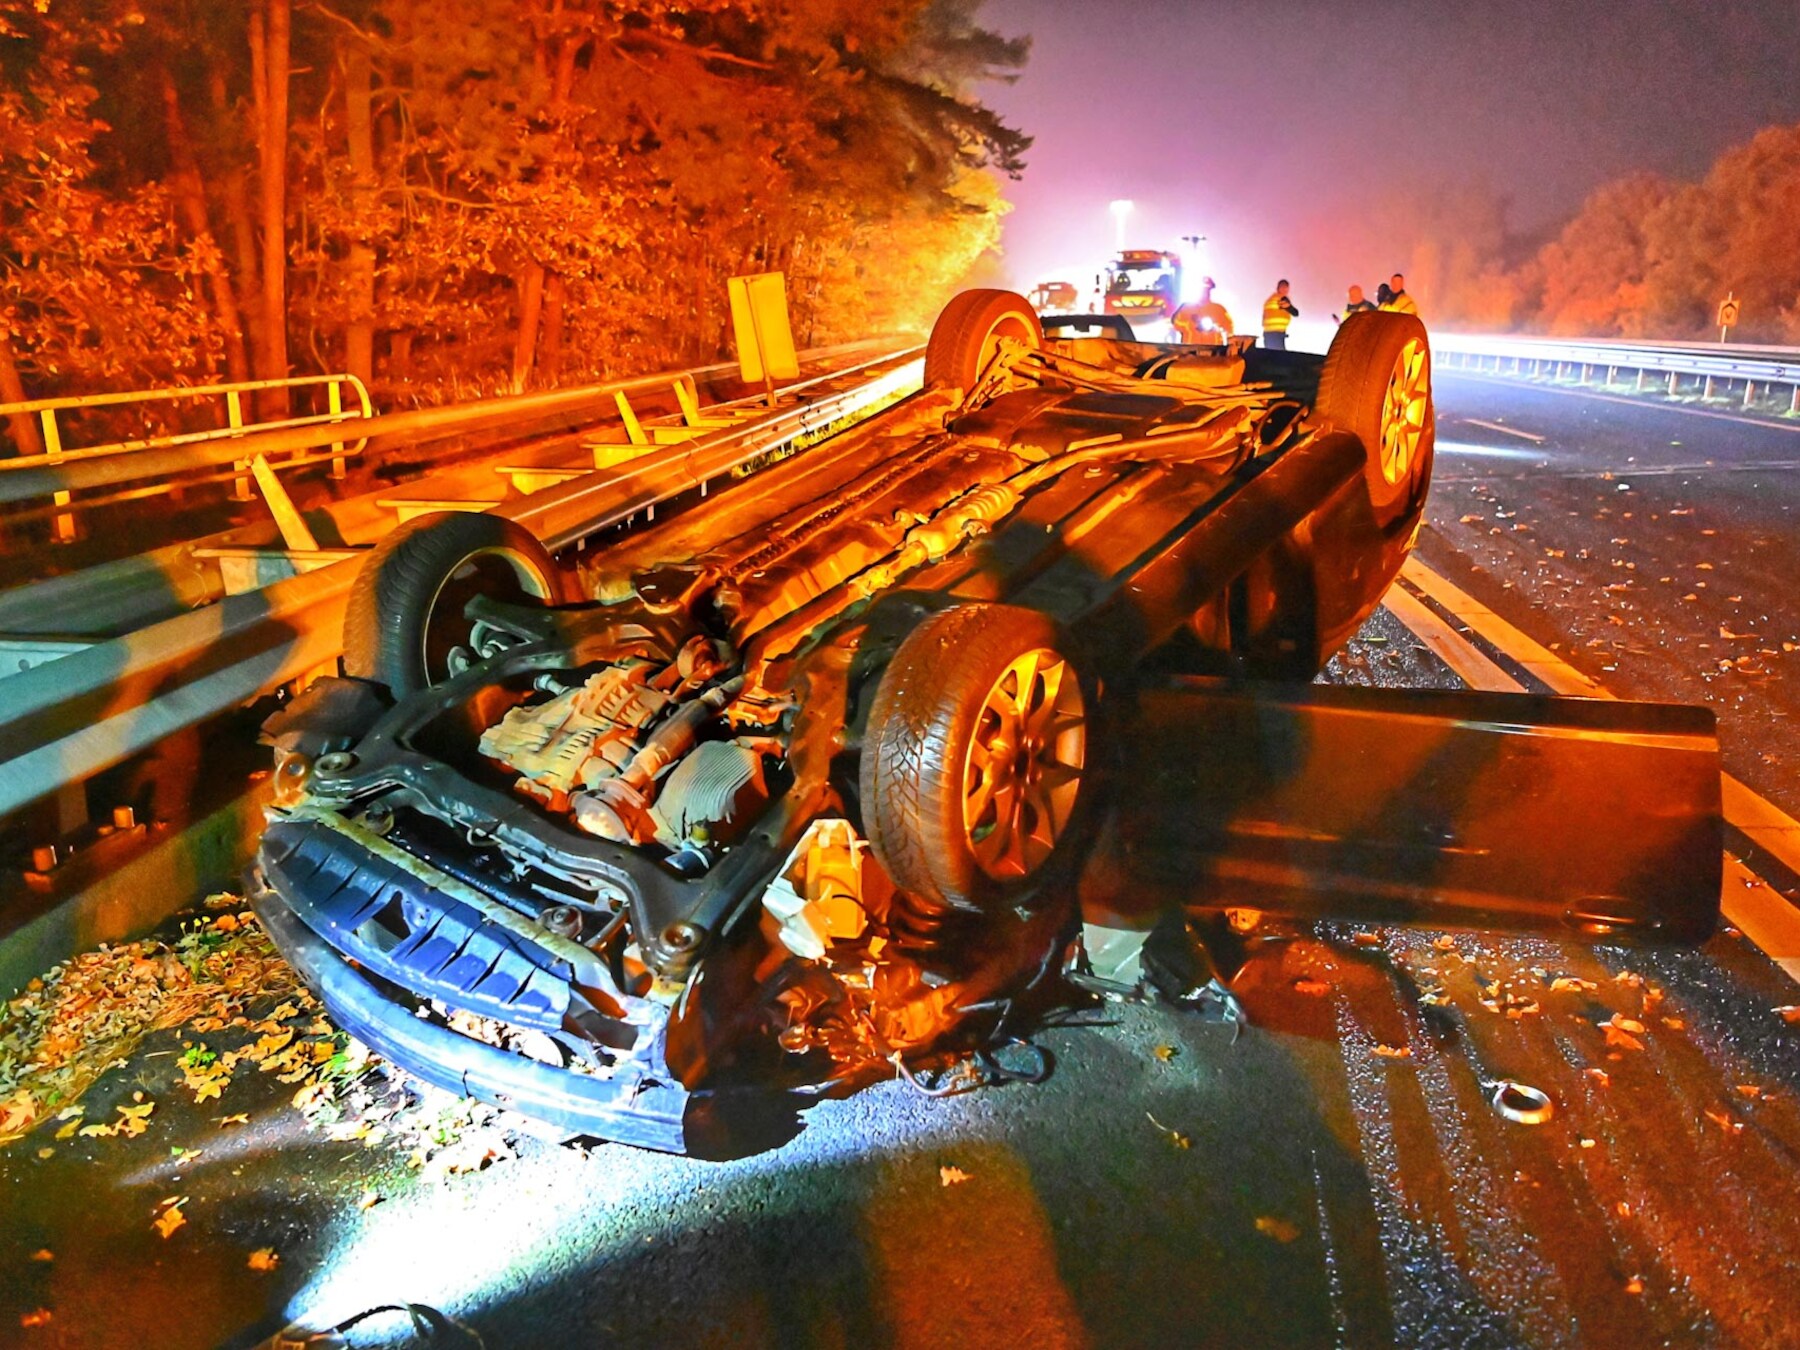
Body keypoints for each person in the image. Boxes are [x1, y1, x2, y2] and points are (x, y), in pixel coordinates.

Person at [1171, 277, 1234, 346]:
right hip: (1190, 350)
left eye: (1207, 289)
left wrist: (1215, 327)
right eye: (1203, 289)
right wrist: (1190, 324)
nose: (1205, 291)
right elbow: (1176, 324)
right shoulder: (1186, 308)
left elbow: (1229, 328)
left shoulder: (1219, 309)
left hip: (1213, 351)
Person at [1261, 279, 1298, 350]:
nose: (1286, 291)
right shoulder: (1281, 299)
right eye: (1285, 288)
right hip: (1277, 333)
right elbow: (1295, 313)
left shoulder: (1270, 299)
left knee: (1270, 356)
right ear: (1281, 288)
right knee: (1280, 357)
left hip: (1268, 333)